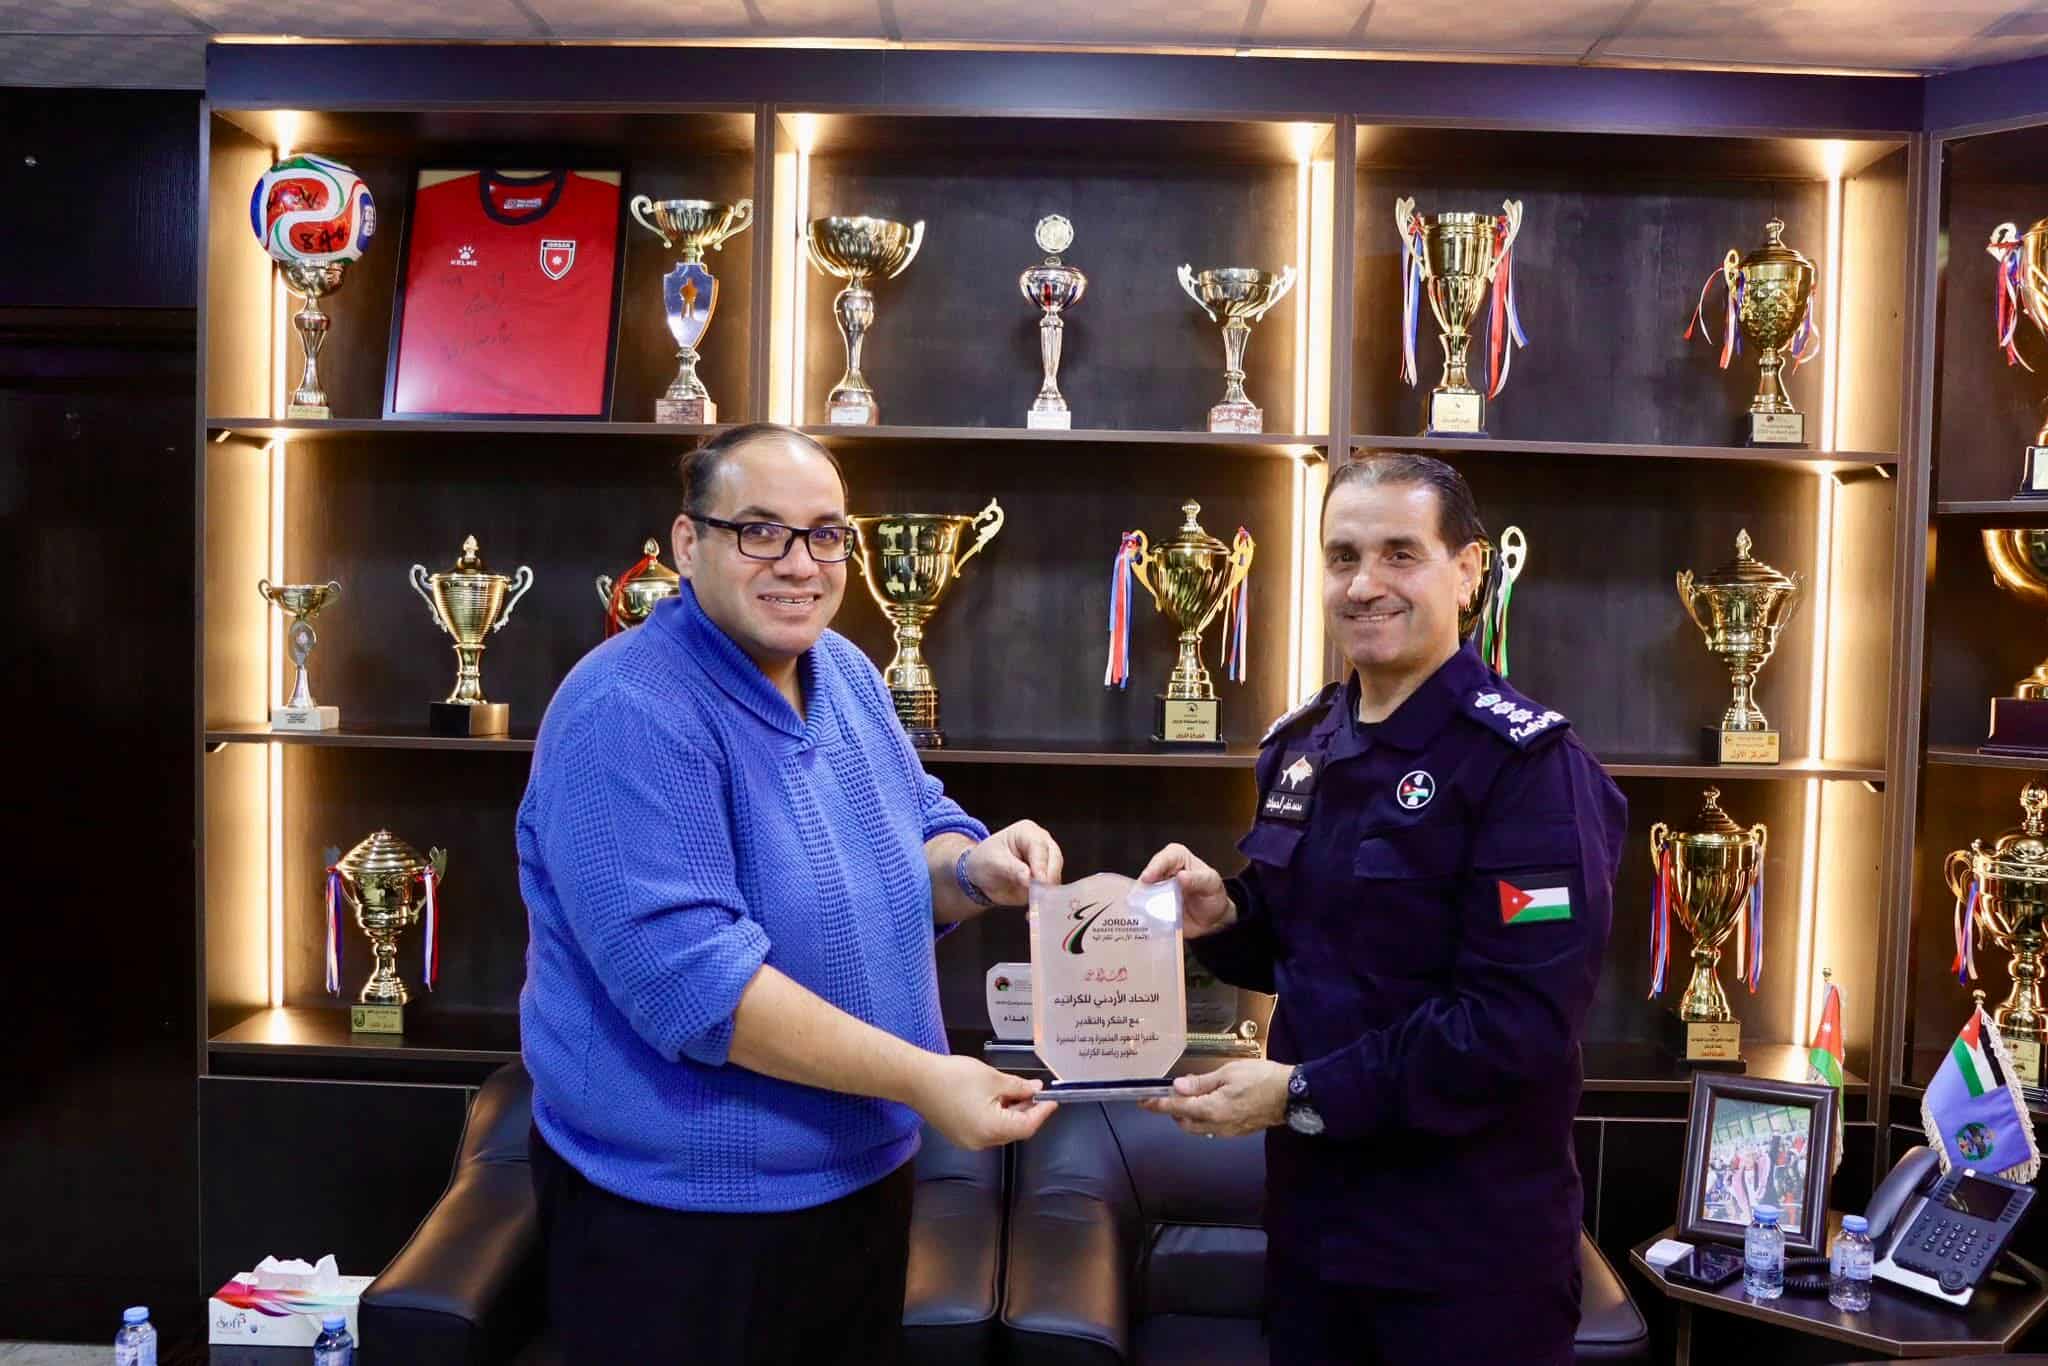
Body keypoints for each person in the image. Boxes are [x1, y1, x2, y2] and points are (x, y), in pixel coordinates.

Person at [517, 422, 1061, 1365]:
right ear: (689, 542)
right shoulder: (625, 709)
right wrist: (926, 1080)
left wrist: (976, 869)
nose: (800, 563)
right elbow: (700, 991)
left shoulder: (844, 670)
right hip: (686, 1219)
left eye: (825, 534)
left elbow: (913, 837)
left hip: (857, 1180)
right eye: (760, 530)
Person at [1138, 452, 1626, 1365]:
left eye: (1401, 554)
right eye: (1342, 557)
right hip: (1317, 1237)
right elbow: (1308, 943)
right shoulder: (1302, 747)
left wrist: (1300, 1092)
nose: (1364, 584)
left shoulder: (1528, 771)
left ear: (1468, 569)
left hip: (1465, 1258)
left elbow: (1513, 1026)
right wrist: (1224, 916)